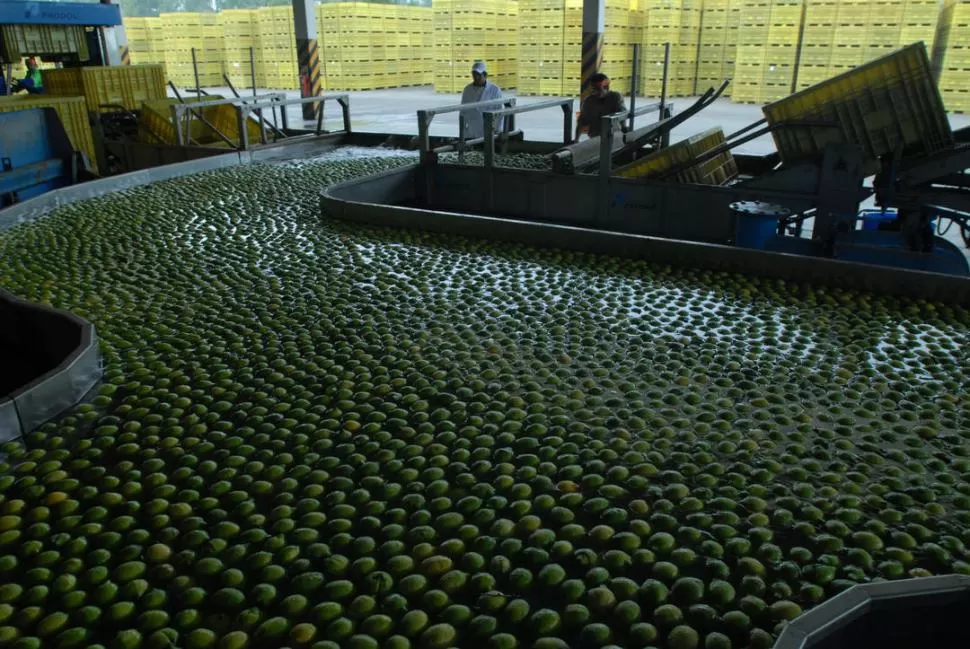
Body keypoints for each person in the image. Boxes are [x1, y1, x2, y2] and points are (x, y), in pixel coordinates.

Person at [460, 60, 503, 140]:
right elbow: (462, 111)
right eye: (474, 75)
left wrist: (498, 130)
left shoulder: (495, 90)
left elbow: (500, 112)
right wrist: (463, 131)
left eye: (479, 75)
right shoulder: (467, 90)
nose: (476, 77)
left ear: (485, 75)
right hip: (472, 131)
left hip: (489, 131)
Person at [575, 73, 626, 141]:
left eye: (598, 89)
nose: (594, 92)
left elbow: (622, 115)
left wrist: (624, 130)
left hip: (614, 136)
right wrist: (576, 139)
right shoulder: (589, 101)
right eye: (593, 88)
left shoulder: (615, 97)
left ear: (606, 87)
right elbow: (581, 121)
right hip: (595, 137)